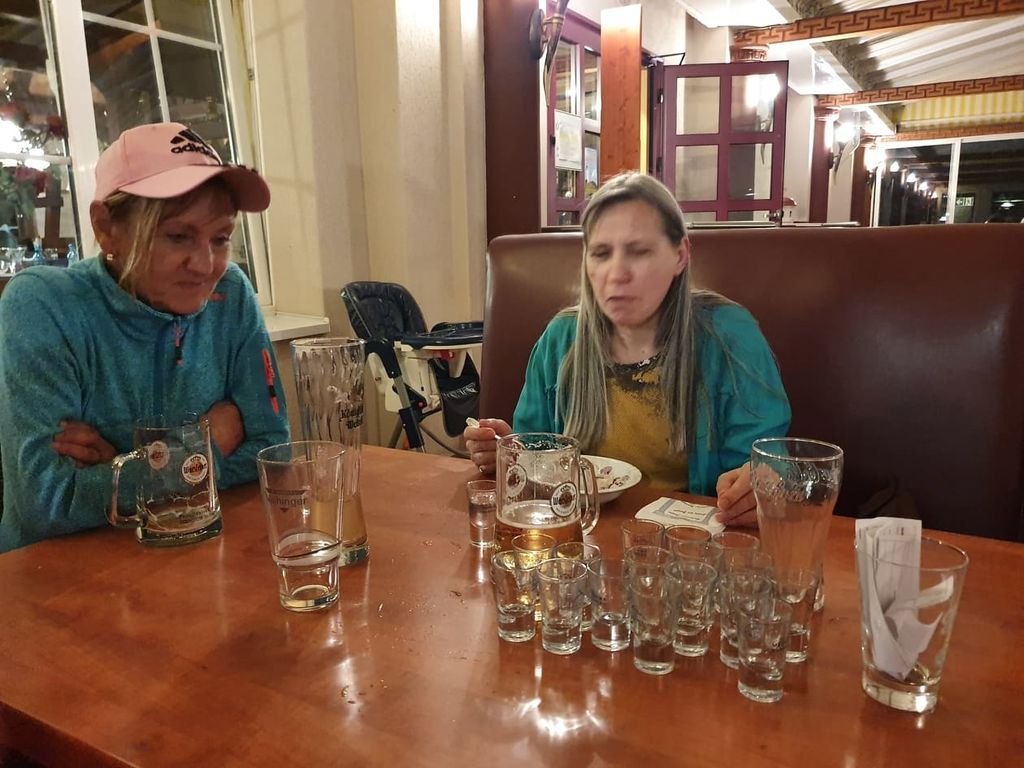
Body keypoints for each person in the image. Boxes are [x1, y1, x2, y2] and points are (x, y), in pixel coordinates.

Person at [0, 122, 289, 551]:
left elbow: (273, 453)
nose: (205, 264)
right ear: (106, 228)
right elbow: (47, 503)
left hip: (190, 561)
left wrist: (121, 464)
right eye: (178, 236)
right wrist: (204, 446)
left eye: (221, 238)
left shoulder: (231, 294)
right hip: (55, 576)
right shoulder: (43, 304)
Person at [464, 172, 790, 527]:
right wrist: (508, 452)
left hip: (690, 542)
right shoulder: (561, 340)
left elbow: (765, 460)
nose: (617, 273)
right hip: (582, 537)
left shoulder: (730, 337)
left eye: (639, 251)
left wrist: (758, 482)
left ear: (680, 255)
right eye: (601, 253)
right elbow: (538, 451)